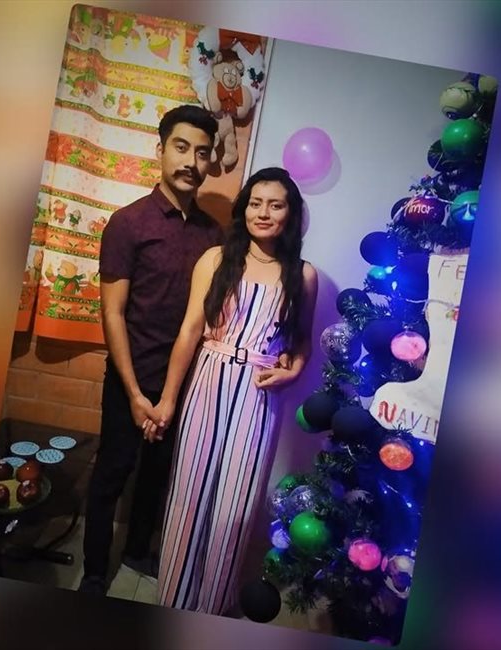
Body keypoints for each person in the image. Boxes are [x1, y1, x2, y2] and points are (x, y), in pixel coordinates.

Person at [143, 167, 319, 615]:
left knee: (234, 505)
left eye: (275, 205)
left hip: (259, 395)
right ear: (244, 209)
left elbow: (301, 343)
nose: (264, 212)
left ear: (290, 214)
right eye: (256, 203)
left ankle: (211, 607)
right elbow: (190, 331)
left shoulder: (303, 274)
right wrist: (168, 399)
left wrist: (294, 372)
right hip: (208, 380)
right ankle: (173, 599)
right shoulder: (216, 259)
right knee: (188, 494)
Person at [78, 105, 223, 596]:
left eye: (202, 153)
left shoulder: (213, 236)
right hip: (130, 380)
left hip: (182, 384)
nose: (191, 162)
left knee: (158, 476)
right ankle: (94, 571)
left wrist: (170, 395)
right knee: (112, 474)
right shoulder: (128, 224)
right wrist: (136, 394)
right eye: (181, 148)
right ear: (160, 150)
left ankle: (138, 551)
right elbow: (112, 314)